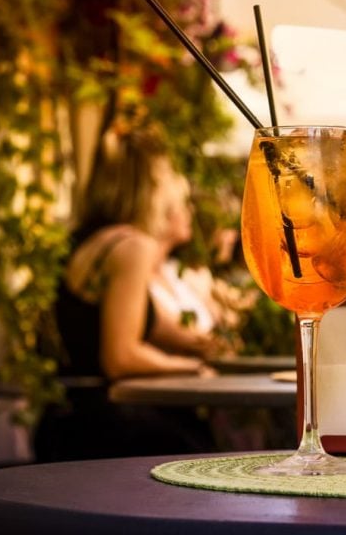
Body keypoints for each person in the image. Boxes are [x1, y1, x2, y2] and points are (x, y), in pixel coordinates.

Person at [34, 125, 218, 462]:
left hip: (64, 420)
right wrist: (190, 368)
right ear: (153, 187)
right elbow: (120, 358)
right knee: (205, 450)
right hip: (106, 429)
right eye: (170, 179)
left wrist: (199, 345)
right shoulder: (132, 246)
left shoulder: (91, 239)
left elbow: (146, 324)